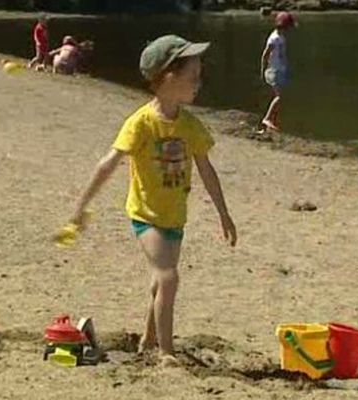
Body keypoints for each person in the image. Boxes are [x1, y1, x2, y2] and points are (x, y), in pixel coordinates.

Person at [68, 35, 237, 363]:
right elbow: (108, 163)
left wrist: (224, 213)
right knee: (168, 277)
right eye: (193, 77)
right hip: (145, 214)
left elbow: (206, 169)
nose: (198, 83)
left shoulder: (190, 125)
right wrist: (81, 205)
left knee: (161, 280)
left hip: (175, 215)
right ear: (168, 78)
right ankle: (166, 351)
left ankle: (147, 340)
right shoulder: (142, 123)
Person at [259, 11, 296, 133]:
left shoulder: (280, 37)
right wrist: (263, 69)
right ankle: (267, 119)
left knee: (278, 97)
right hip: (274, 71)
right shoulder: (274, 38)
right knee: (279, 97)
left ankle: (271, 122)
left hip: (280, 69)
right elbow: (265, 54)